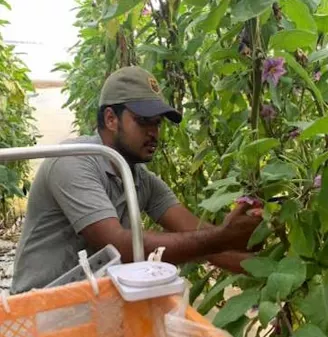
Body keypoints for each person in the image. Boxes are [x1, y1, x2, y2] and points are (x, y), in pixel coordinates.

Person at [11, 66, 261, 293]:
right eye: (143, 121)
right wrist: (223, 237)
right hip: (38, 310)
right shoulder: (73, 161)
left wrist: (275, 266)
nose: (153, 132)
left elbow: (202, 237)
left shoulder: (141, 180)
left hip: (89, 306)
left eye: (158, 123)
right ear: (111, 119)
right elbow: (121, 246)